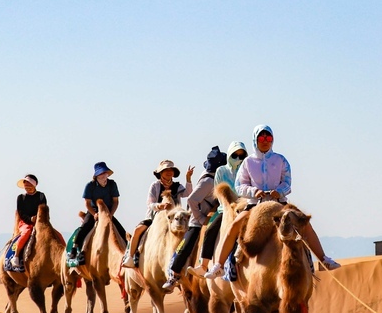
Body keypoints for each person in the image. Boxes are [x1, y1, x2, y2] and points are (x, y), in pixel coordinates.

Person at [204, 124, 339, 279]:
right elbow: (240, 186)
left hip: (279, 202)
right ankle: (219, 266)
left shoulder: (281, 160)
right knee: (235, 225)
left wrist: (279, 191)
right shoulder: (247, 163)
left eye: (268, 137)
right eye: (261, 137)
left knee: (304, 222)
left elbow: (287, 182)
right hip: (255, 204)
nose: (265, 140)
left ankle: (323, 259)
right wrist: (255, 191)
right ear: (255, 139)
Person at [162, 146, 227, 290]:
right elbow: (191, 200)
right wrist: (201, 218)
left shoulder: (216, 177)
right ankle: (174, 275)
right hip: (199, 221)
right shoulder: (208, 181)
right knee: (186, 246)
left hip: (216, 215)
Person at [122, 159, 193, 268]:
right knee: (138, 230)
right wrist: (160, 206)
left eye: (171, 170)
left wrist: (188, 178)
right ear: (160, 173)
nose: (169, 172)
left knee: (193, 231)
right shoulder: (155, 186)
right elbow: (150, 203)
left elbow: (187, 193)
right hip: (154, 218)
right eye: (166, 170)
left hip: (175, 219)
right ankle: (131, 257)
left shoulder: (177, 186)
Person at [67, 162, 127, 264]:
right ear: (96, 176)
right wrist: (94, 214)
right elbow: (87, 203)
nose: (104, 176)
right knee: (84, 227)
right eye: (102, 174)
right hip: (94, 211)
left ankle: (127, 252)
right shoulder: (90, 186)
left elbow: (116, 201)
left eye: (106, 173)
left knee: (122, 232)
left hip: (108, 212)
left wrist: (110, 215)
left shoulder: (112, 184)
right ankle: (76, 250)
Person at [11, 174, 48, 270]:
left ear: (34, 185)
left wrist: (39, 218)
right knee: (26, 233)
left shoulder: (41, 196)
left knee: (56, 235)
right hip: (25, 223)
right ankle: (16, 255)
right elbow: (21, 213)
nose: (27, 187)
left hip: (40, 222)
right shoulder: (21, 198)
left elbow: (44, 209)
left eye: (29, 184)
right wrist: (30, 219)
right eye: (25, 185)